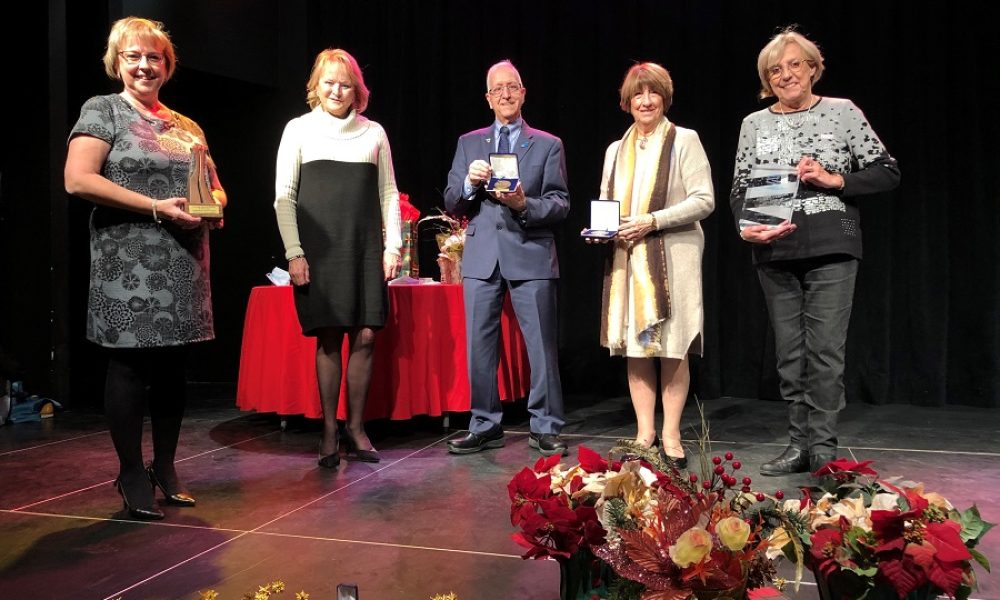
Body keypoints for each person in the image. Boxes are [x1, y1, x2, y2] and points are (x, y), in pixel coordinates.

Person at [64, 17, 227, 520]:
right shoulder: (103, 110)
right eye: (133, 56)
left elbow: (215, 187)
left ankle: (167, 467)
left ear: (167, 65)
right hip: (127, 262)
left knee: (174, 368)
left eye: (154, 57)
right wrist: (155, 206)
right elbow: (78, 179)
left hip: (183, 261)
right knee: (130, 366)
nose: (144, 65)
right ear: (117, 62)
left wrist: (214, 206)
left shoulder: (187, 126)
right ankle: (132, 471)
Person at [730, 29, 900, 475]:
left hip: (832, 244)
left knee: (825, 352)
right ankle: (798, 445)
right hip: (776, 248)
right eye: (775, 69)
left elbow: (887, 171)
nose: (785, 74)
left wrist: (834, 180)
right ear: (767, 79)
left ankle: (823, 447)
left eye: (794, 65)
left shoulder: (842, 112)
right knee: (790, 355)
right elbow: (740, 189)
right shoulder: (754, 124)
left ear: (812, 68)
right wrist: (747, 227)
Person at [274, 49, 402, 468]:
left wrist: (393, 246)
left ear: (356, 91)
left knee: (366, 335)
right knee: (329, 337)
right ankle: (329, 430)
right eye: (329, 82)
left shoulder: (373, 133)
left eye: (345, 84)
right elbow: (284, 197)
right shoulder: (298, 129)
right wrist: (294, 252)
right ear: (317, 85)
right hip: (320, 251)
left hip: (364, 248)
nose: (336, 90)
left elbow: (389, 194)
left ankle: (356, 427)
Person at [590, 63, 714, 469]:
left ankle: (672, 435)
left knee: (672, 346)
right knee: (637, 347)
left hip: (673, 258)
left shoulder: (684, 140)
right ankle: (645, 433)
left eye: (653, 92)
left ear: (665, 97)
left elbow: (704, 200)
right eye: (638, 94)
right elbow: (607, 204)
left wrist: (652, 220)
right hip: (628, 258)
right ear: (627, 102)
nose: (645, 101)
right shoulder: (615, 149)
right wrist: (601, 230)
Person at [444, 60, 570, 457]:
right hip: (482, 256)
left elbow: (560, 203)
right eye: (497, 89)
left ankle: (545, 425)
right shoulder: (469, 143)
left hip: (530, 253)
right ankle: (484, 424)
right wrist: (469, 183)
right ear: (487, 98)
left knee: (541, 347)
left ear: (523, 93)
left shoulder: (547, 144)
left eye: (512, 87)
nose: (505, 94)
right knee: (479, 346)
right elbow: (452, 201)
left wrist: (523, 204)